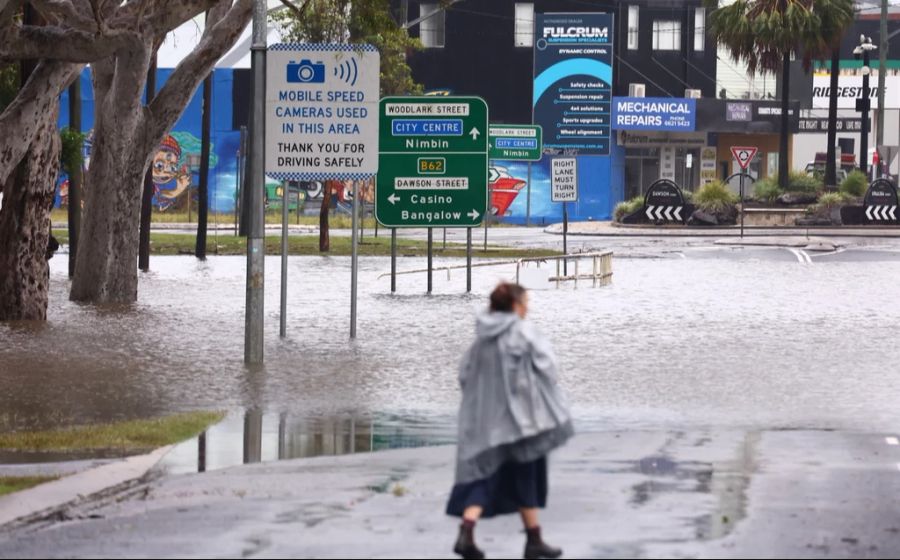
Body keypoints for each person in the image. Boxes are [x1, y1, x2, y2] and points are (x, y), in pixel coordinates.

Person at [447, 283, 574, 560]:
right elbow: (549, 370)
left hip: (486, 422)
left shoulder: (481, 340)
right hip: (522, 422)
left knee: (484, 475)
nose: (527, 308)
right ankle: (533, 540)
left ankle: (469, 530)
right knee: (525, 475)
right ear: (516, 306)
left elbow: (464, 376)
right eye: (526, 302)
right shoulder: (525, 333)